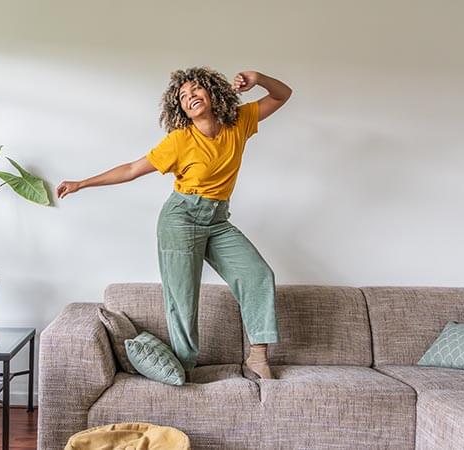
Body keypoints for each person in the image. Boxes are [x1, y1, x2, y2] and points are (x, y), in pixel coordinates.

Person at [56, 67, 292, 380]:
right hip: (182, 218)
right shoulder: (180, 141)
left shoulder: (239, 122)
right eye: (182, 96)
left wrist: (258, 78)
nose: (190, 97)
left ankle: (258, 356)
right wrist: (82, 183)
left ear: (211, 91)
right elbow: (130, 169)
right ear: (178, 107)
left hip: (218, 219)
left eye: (195, 90)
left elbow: (282, 95)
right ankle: (186, 369)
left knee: (256, 273)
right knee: (183, 297)